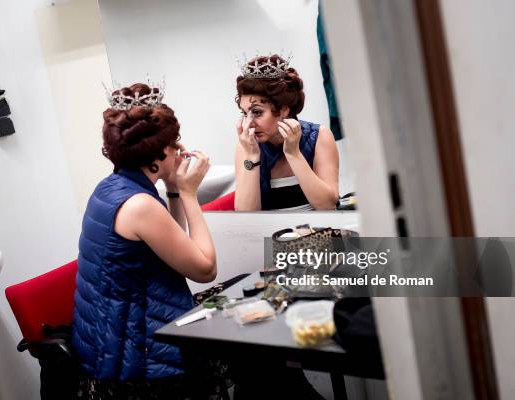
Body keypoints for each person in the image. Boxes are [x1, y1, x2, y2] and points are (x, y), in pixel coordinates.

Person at [71, 82, 226, 399]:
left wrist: (172, 188)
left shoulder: (111, 187)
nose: (181, 149)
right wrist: (189, 193)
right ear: (160, 151)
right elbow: (205, 268)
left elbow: (171, 239)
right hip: (137, 360)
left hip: (113, 335)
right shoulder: (139, 205)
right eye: (175, 142)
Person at [234, 54, 340, 211]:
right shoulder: (246, 145)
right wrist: (252, 157)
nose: (248, 123)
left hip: (319, 232)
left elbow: (328, 205)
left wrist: (294, 154)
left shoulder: (319, 137)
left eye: (257, 112)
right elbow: (245, 217)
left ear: (283, 109)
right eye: (244, 113)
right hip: (268, 235)